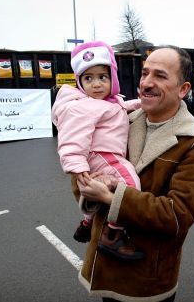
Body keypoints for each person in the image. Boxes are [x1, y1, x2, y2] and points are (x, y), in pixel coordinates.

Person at [75, 45, 194, 302]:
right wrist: (90, 187)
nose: (146, 83)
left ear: (183, 89)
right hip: (104, 269)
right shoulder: (119, 118)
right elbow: (82, 171)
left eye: (160, 76)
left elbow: (176, 216)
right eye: (144, 73)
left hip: (147, 281)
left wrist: (112, 197)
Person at [52, 40, 143, 260]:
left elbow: (119, 107)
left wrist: (139, 104)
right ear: (79, 82)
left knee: (100, 195)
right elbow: (72, 138)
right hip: (103, 155)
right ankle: (112, 235)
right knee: (131, 186)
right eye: (88, 78)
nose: (96, 84)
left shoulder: (109, 101)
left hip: (105, 154)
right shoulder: (84, 106)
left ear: (113, 77)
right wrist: (76, 166)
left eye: (102, 77)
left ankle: (87, 222)